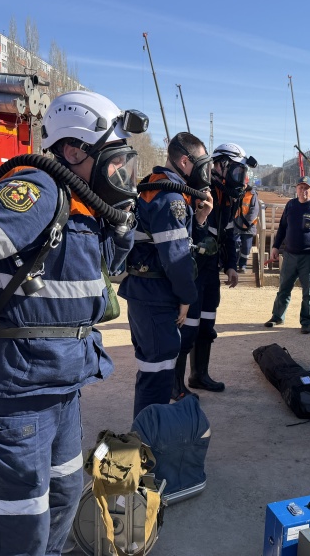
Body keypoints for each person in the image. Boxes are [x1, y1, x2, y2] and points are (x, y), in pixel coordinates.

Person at [0, 90, 143, 556]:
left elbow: (102, 271)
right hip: (15, 399)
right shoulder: (39, 191)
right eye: (116, 160)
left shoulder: (84, 204)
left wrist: (120, 222)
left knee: (61, 497)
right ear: (74, 151)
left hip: (60, 390)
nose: (122, 173)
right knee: (15, 527)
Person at [119, 132, 214, 416]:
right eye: (202, 164)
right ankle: (148, 446)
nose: (206, 172)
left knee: (154, 369)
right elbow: (176, 257)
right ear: (186, 161)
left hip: (147, 293)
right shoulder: (170, 196)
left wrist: (199, 219)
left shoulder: (157, 187)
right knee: (156, 374)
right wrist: (187, 297)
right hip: (156, 294)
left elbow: (173, 241)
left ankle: (148, 440)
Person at [173, 142, 250, 398]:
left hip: (211, 272)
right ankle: (176, 385)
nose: (240, 178)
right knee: (188, 327)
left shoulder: (228, 198)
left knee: (206, 325)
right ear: (218, 166)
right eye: (237, 171)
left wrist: (231, 265)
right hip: (194, 270)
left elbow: (229, 233)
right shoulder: (198, 192)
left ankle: (199, 375)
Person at [264, 176, 310, 334]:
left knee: (309, 292)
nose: (303, 191)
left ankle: (306, 321)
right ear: (296, 189)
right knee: (284, 288)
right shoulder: (291, 205)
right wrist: (275, 246)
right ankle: (277, 316)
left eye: (307, 188)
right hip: (290, 255)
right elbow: (282, 228)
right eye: (300, 187)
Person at [235, 175, 260, 273]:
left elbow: (254, 210)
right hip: (236, 225)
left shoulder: (252, 194)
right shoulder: (235, 192)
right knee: (235, 244)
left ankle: (242, 265)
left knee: (246, 246)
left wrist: (247, 223)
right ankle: (234, 264)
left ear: (246, 183)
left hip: (248, 227)